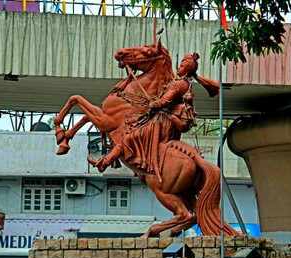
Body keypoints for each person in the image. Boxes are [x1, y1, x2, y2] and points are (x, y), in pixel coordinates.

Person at [88, 53, 219, 180]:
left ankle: (104, 163)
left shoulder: (178, 84)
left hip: (163, 122)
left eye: (182, 65)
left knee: (130, 137)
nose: (179, 67)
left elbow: (164, 101)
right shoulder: (181, 83)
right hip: (166, 121)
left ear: (187, 70)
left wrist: (153, 104)